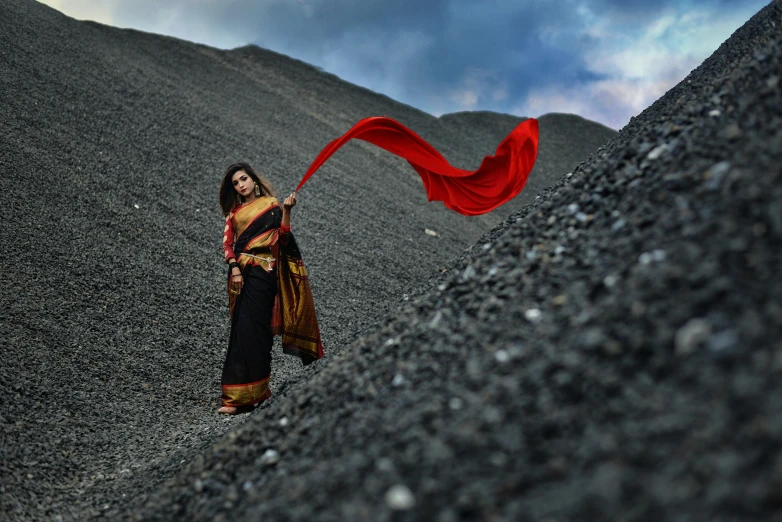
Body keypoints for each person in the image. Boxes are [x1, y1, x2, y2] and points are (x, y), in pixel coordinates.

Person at [217, 162, 324, 415]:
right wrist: (234, 269)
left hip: (265, 274)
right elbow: (227, 245)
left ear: (253, 180)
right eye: (235, 183)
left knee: (260, 333)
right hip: (241, 273)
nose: (241, 185)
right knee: (242, 331)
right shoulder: (234, 213)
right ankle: (237, 399)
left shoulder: (272, 205)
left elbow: (284, 237)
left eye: (244, 179)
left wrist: (287, 211)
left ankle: (260, 393)